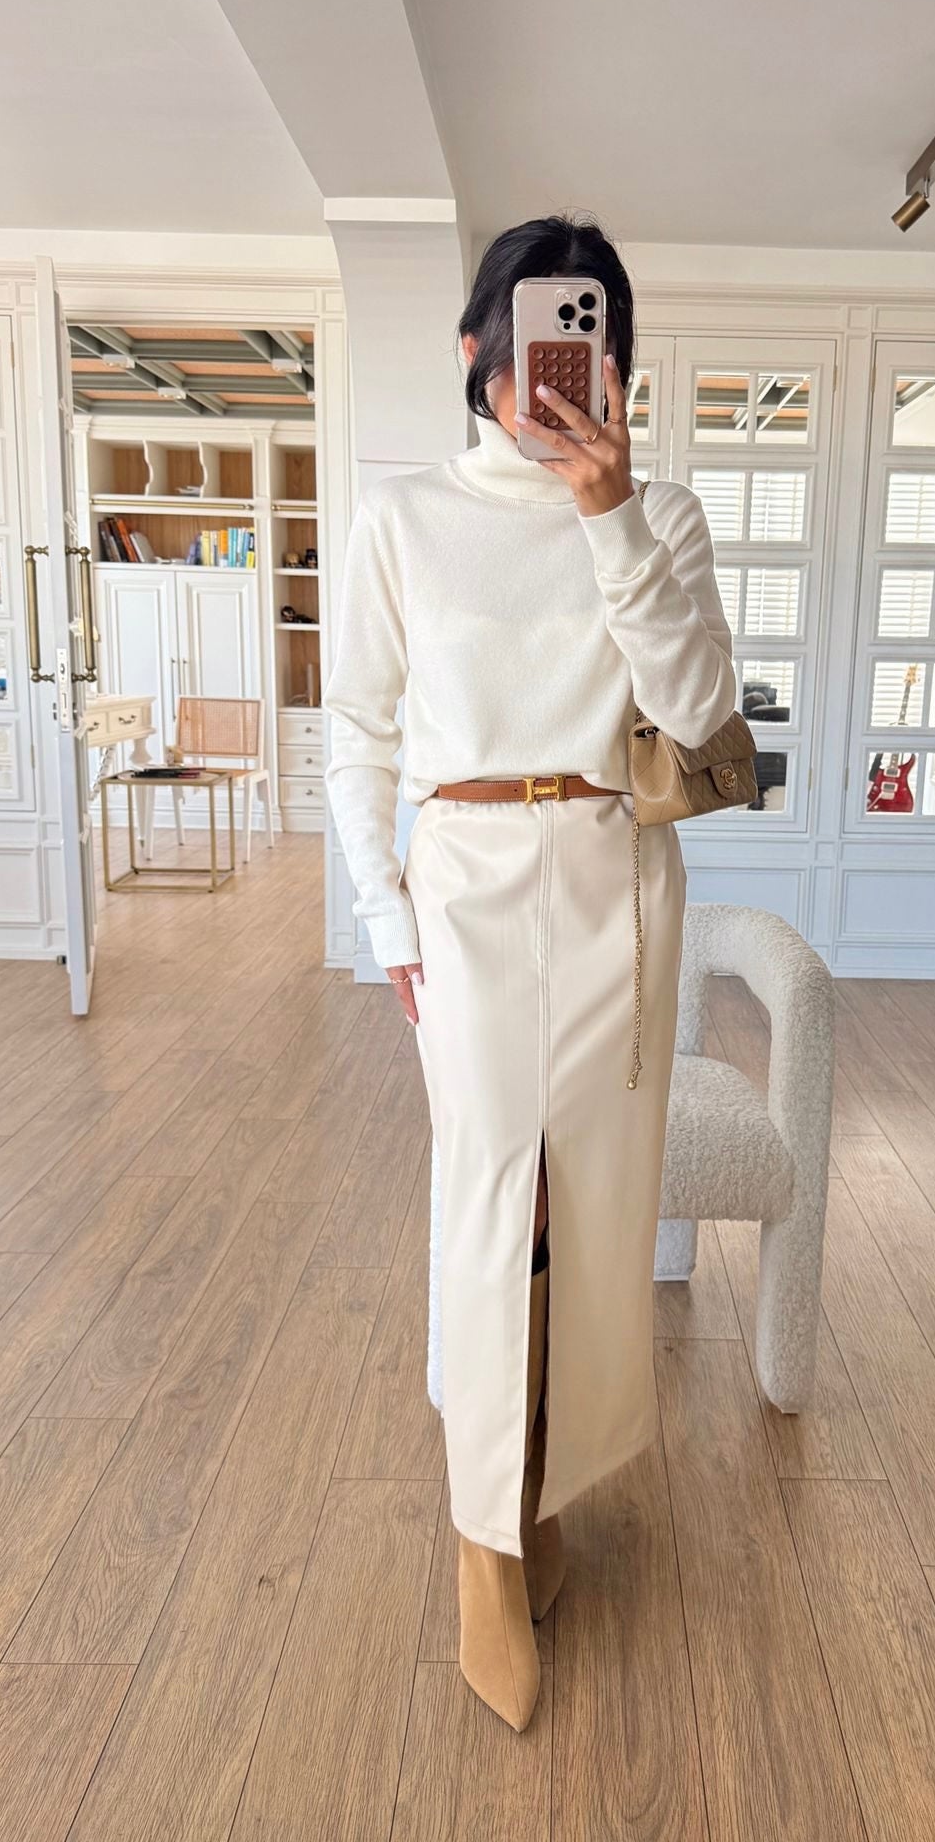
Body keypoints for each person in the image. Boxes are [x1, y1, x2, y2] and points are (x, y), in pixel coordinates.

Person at [325, 214, 734, 1731]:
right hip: (469, 886)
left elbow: (699, 710)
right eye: (538, 335)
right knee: (497, 1199)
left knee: (597, 1202)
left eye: (590, 338)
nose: (562, 368)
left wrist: (610, 514)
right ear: (477, 350)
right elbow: (358, 731)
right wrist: (385, 917)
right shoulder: (405, 515)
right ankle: (482, 1543)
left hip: (618, 882)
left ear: (615, 359)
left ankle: (545, 1484)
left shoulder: (661, 513)